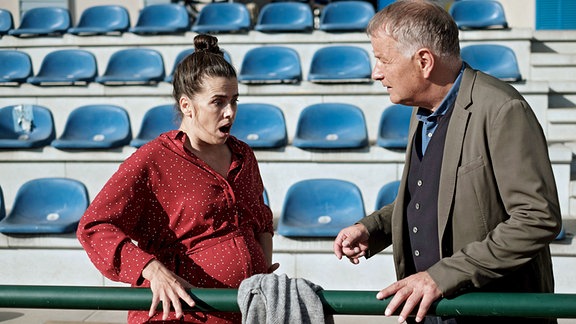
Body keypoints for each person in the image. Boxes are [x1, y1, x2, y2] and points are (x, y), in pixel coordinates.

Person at [333, 1, 562, 323]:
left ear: (424, 61)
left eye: (383, 60)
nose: (376, 73)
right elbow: (434, 197)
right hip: (433, 311)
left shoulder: (502, 109)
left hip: (491, 313)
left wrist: (443, 276)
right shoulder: (422, 110)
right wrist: (374, 228)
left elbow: (537, 218)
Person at [77, 34, 278, 323]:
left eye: (234, 100)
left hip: (244, 312)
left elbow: (260, 221)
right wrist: (151, 269)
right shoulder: (153, 158)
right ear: (187, 105)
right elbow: (94, 226)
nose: (230, 112)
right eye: (218, 102)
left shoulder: (243, 154)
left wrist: (262, 271)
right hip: (181, 315)